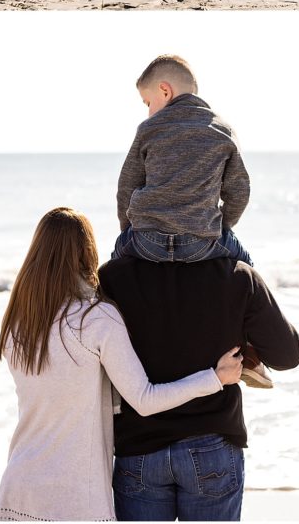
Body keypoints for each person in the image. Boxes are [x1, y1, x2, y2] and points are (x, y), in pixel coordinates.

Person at [0, 207, 243, 522]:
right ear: (86, 253)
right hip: (75, 496)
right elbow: (144, 399)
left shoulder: (19, 322)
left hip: (19, 485)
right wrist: (215, 377)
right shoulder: (95, 318)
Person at [99, 253, 299, 521]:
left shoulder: (111, 276)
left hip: (139, 447)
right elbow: (287, 356)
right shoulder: (238, 275)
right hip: (211, 444)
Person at [112, 54, 272, 390]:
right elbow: (239, 191)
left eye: (147, 101)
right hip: (202, 241)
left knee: (112, 275)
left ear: (165, 91)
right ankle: (251, 355)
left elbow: (127, 187)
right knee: (249, 271)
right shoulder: (221, 129)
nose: (148, 110)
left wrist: (128, 232)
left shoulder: (149, 129)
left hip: (146, 241)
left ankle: (112, 355)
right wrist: (219, 227)